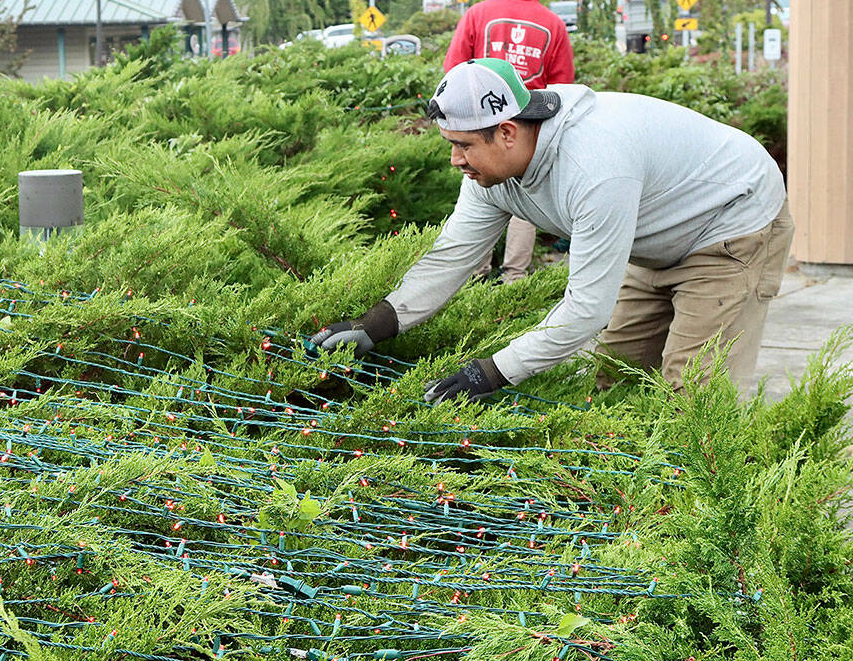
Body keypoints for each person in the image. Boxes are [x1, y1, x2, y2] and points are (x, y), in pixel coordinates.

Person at [310, 57, 792, 402]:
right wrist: (374, 325)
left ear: (507, 132)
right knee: (615, 385)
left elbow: (585, 310)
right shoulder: (488, 173)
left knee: (694, 397)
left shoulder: (594, 167)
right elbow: (451, 256)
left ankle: (709, 530)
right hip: (655, 241)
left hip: (731, 224)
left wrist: (493, 373)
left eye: (463, 146)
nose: (455, 160)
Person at [445, 0, 575, 283]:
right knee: (526, 199)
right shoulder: (552, 23)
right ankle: (514, 277)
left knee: (479, 188)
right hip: (531, 128)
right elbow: (563, 85)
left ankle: (474, 274)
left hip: (480, 123)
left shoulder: (477, 14)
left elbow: (454, 69)